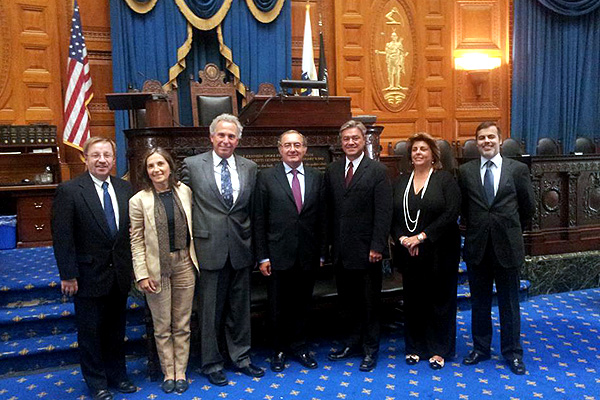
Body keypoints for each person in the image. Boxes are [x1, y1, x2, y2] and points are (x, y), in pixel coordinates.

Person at [180, 113, 264, 386]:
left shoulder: (250, 168)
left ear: (238, 140)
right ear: (211, 136)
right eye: (221, 135)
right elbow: (183, 208)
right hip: (208, 248)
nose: (226, 140)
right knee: (210, 312)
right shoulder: (192, 166)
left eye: (231, 136)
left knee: (240, 310)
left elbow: (252, 210)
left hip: (241, 247)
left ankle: (241, 358)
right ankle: (211, 362)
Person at [51, 137, 136, 400]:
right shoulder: (70, 191)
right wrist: (68, 274)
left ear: (114, 158)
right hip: (87, 276)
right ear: (85, 158)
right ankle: (96, 382)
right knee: (90, 333)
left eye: (107, 155)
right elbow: (62, 236)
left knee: (116, 329)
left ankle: (118, 375)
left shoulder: (125, 189)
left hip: (118, 274)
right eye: (96, 155)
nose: (102, 160)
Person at [458, 121, 535, 375]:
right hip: (478, 246)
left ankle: (512, 353)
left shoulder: (518, 170)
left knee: (509, 304)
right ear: (476, 142)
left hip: (507, 246)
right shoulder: (466, 171)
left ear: (500, 140)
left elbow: (527, 208)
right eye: (481, 138)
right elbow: (465, 209)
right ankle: (480, 348)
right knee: (479, 302)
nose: (486, 142)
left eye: (491, 137)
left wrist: (506, 228)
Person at [253, 130, 327, 372]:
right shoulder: (265, 177)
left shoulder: (317, 177)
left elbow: (322, 219)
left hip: (308, 255)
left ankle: (300, 346)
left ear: (305, 149)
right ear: (279, 149)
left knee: (302, 304)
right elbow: (259, 219)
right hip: (276, 256)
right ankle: (279, 349)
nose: (293, 149)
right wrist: (262, 256)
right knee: (277, 306)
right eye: (288, 145)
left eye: (297, 145)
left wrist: (322, 252)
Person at [325, 120, 393, 372]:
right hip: (341, 251)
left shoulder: (377, 170)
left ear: (363, 140)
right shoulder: (332, 170)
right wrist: (328, 247)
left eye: (355, 138)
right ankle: (351, 344)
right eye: (346, 139)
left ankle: (370, 349)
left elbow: (383, 212)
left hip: (368, 252)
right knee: (347, 302)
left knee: (369, 303)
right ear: (340, 142)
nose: (350, 143)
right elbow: (329, 211)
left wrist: (377, 246)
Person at [129, 148, 198, 394]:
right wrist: (142, 274)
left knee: (182, 324)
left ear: (170, 166)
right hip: (156, 268)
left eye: (161, 164)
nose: (157, 169)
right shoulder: (139, 200)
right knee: (161, 326)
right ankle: (168, 372)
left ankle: (181, 372)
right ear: (146, 171)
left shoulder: (185, 192)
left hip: (184, 264)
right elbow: (136, 241)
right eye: (151, 166)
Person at [391, 132, 461, 370]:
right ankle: (415, 347)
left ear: (433, 155)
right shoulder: (401, 181)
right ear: (410, 156)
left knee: (439, 300)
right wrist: (402, 238)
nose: (418, 153)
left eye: (423, 149)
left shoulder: (445, 179)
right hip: (410, 253)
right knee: (414, 300)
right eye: (414, 150)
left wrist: (421, 237)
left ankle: (439, 349)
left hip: (440, 251)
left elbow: (451, 213)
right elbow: (393, 214)